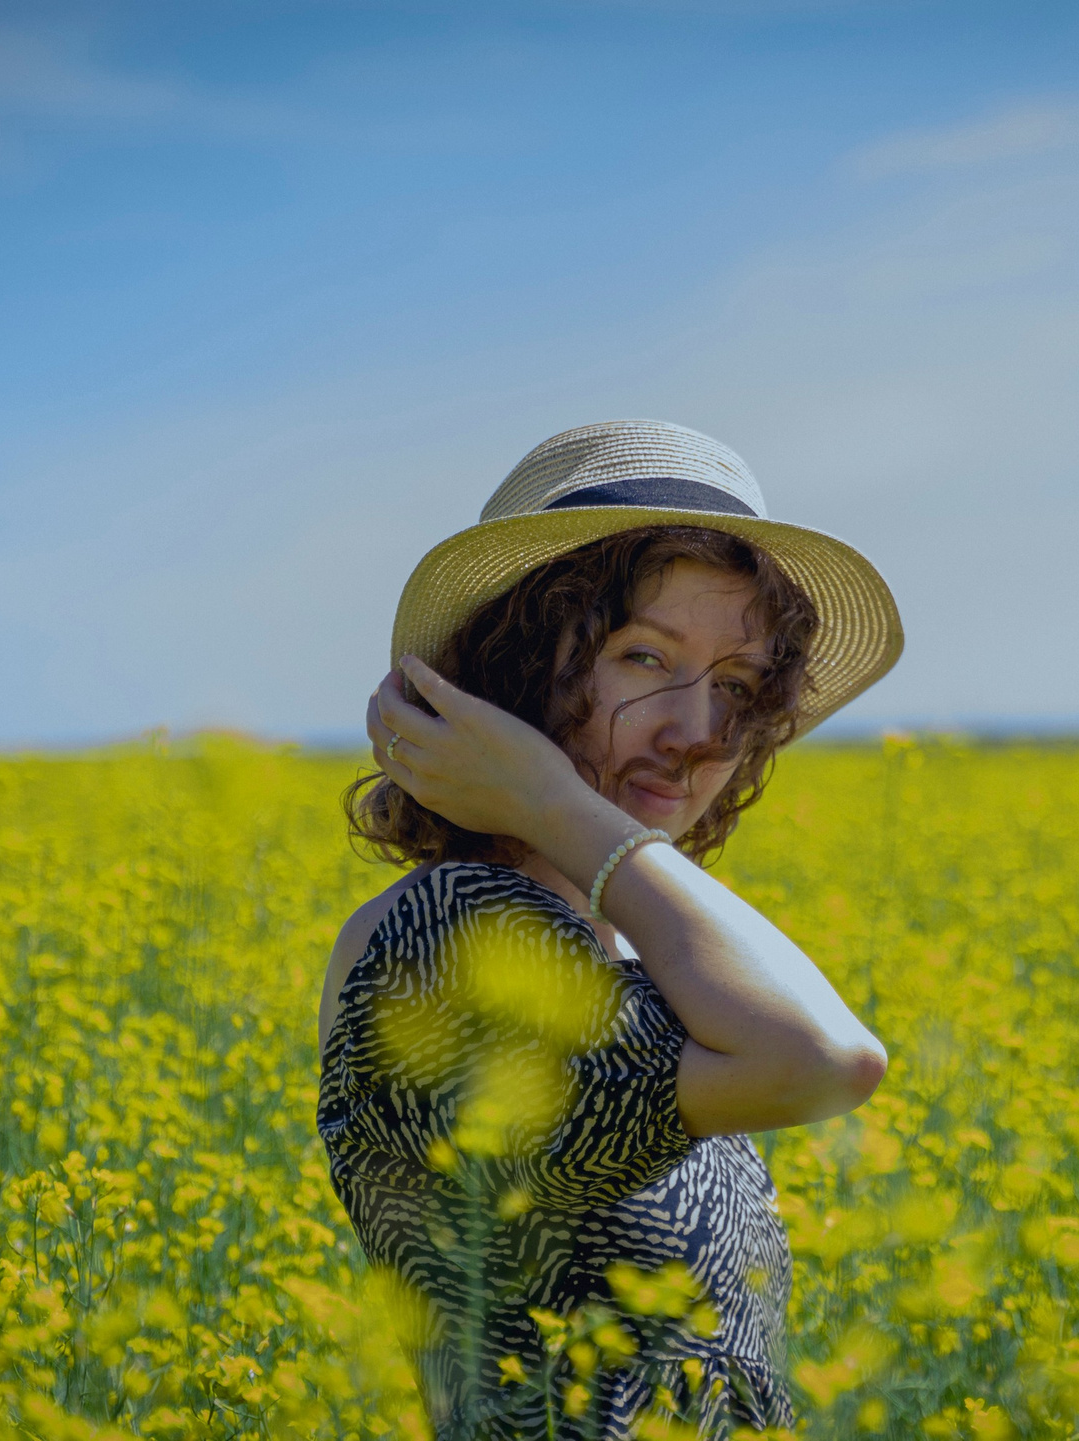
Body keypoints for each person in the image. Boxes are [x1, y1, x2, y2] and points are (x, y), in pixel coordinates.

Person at [317, 420, 905, 1439]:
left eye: (737, 686)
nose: (700, 734)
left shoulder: (633, 954)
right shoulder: (450, 940)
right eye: (644, 657)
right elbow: (827, 1059)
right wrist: (550, 800)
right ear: (514, 667)